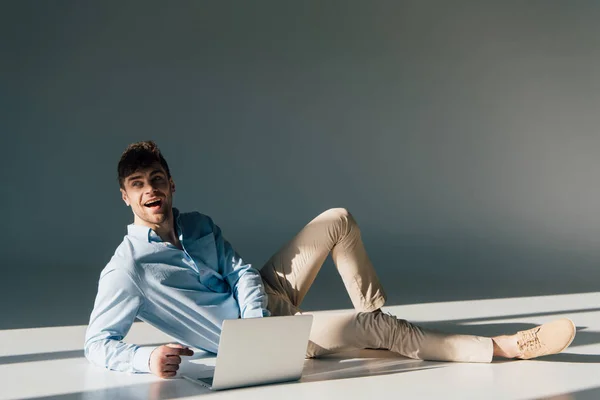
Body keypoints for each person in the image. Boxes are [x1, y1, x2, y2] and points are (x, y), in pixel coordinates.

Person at [84, 141, 576, 378]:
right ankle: (504, 346)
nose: (151, 190)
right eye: (138, 184)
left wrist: (257, 313)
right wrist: (147, 358)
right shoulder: (128, 269)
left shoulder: (196, 223)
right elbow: (96, 343)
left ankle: (371, 309)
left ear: (172, 183)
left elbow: (238, 271)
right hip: (258, 342)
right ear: (124, 197)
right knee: (380, 334)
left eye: (157, 179)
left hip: (264, 302)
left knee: (337, 218)